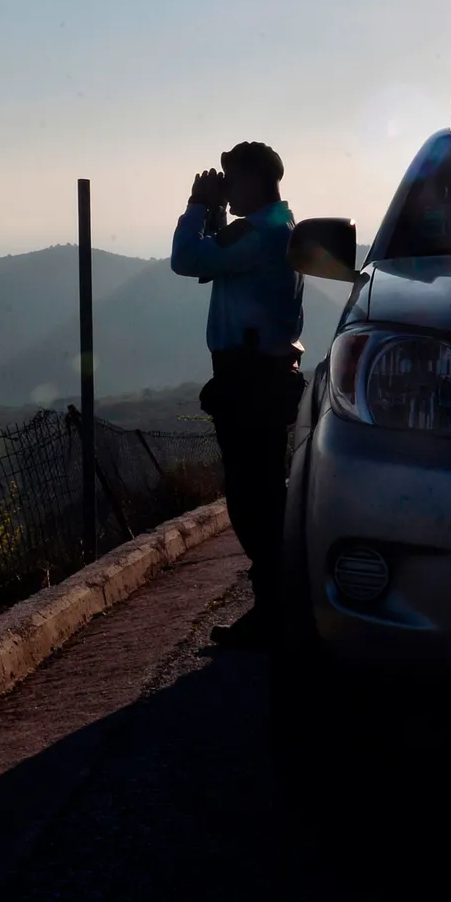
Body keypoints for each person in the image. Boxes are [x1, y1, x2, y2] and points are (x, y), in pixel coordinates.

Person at [169, 141, 305, 648]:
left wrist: (199, 206)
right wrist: (217, 213)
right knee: (263, 491)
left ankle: (275, 609)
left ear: (253, 179)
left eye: (232, 178)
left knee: (254, 499)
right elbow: (212, 263)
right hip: (261, 378)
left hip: (250, 380)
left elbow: (187, 260)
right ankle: (279, 604)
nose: (227, 186)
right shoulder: (273, 229)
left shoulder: (261, 232)